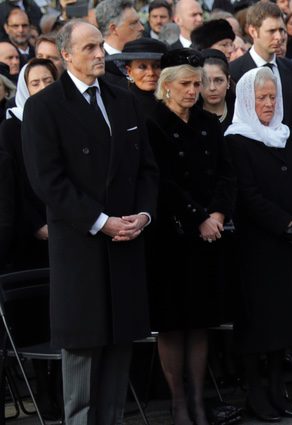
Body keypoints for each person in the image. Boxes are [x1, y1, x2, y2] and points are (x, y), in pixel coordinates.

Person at [21, 20, 158, 425]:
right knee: (82, 352)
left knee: (119, 347)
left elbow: (148, 169)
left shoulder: (123, 98)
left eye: (101, 46)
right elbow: (48, 181)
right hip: (81, 247)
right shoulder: (44, 107)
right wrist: (101, 222)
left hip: (126, 243)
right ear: (66, 55)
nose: (100, 53)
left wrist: (143, 216)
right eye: (89, 48)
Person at [145, 48, 235, 425]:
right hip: (171, 236)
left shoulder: (207, 122)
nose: (193, 91)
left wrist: (216, 214)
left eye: (197, 84)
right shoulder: (154, 123)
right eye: (186, 84)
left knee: (200, 320)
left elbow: (226, 174)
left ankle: (198, 400)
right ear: (166, 86)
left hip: (206, 235)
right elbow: (162, 181)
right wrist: (198, 217)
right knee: (172, 323)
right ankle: (179, 402)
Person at [226, 67, 292, 422]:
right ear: (247, 101)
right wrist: (284, 223)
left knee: (286, 321)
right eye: (260, 98)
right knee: (260, 325)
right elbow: (247, 194)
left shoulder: (288, 135)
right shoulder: (236, 139)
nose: (267, 103)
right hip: (258, 246)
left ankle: (279, 389)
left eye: (272, 97)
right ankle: (256, 392)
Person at [0, 59, 56, 273]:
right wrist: (35, 224)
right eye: (35, 83)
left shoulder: (69, 120)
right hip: (32, 230)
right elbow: (12, 183)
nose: (43, 88)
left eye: (48, 81)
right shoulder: (11, 127)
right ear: (25, 88)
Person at [230, 2, 292, 135]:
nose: (279, 37)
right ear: (253, 31)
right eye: (272, 31)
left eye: (281, 30)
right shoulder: (233, 72)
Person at [107, 37, 167, 117]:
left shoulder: (177, 98)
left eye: (157, 66)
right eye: (142, 67)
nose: (151, 73)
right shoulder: (120, 103)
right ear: (129, 71)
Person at [201, 50, 234, 132]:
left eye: (218, 80)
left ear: (228, 81)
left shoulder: (239, 113)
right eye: (205, 81)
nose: (212, 88)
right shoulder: (189, 115)